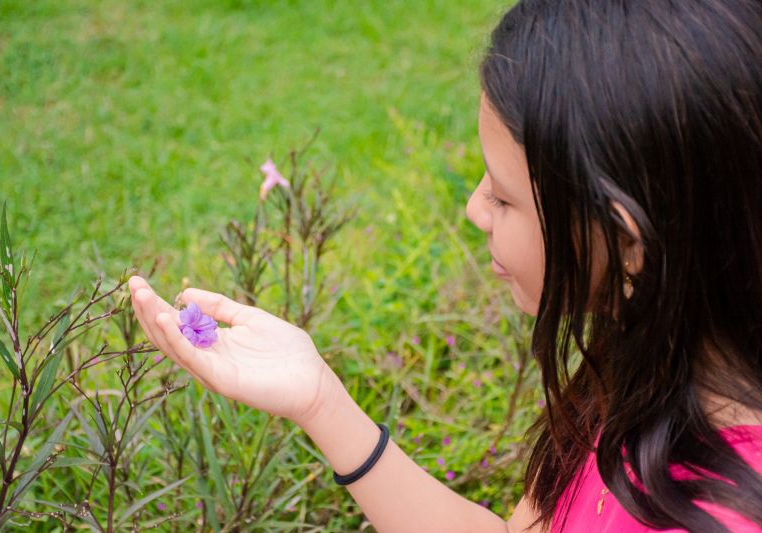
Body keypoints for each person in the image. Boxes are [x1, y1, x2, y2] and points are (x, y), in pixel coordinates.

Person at [129, 0, 762, 530]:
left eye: (504, 197)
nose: (474, 208)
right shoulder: (649, 370)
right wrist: (319, 399)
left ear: (628, 243)